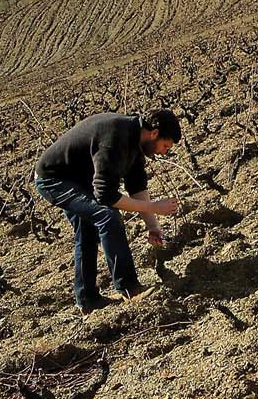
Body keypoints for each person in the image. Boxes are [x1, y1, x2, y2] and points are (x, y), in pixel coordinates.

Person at [33, 109, 182, 312]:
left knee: (87, 229)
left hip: (80, 179)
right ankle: (129, 289)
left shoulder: (136, 143)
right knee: (107, 216)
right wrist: (153, 206)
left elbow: (137, 187)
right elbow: (106, 196)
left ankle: (87, 301)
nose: (164, 152)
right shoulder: (115, 137)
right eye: (165, 146)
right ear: (154, 133)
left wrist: (153, 226)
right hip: (54, 179)